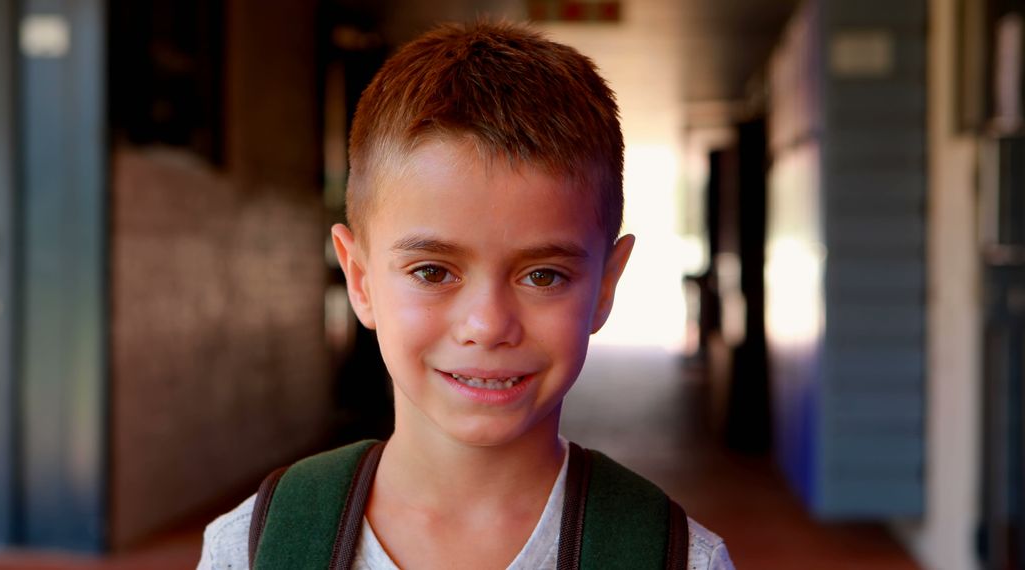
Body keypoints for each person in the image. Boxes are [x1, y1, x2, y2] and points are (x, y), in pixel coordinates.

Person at [198, 21, 733, 570]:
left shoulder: (678, 558)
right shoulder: (253, 547)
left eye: (543, 275)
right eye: (432, 272)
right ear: (360, 280)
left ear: (605, 286)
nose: (488, 323)